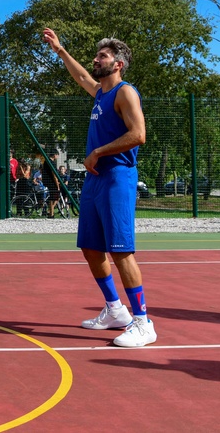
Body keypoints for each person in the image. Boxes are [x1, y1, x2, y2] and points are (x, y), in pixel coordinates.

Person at [43, 27, 155, 347]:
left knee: (120, 251)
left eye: (102, 56)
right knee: (91, 248)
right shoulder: (102, 93)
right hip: (95, 179)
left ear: (118, 63)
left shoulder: (125, 93)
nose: (96, 59)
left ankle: (143, 322)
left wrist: (98, 151)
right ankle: (114, 310)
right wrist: (60, 50)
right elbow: (82, 78)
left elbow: (138, 135)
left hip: (117, 176)